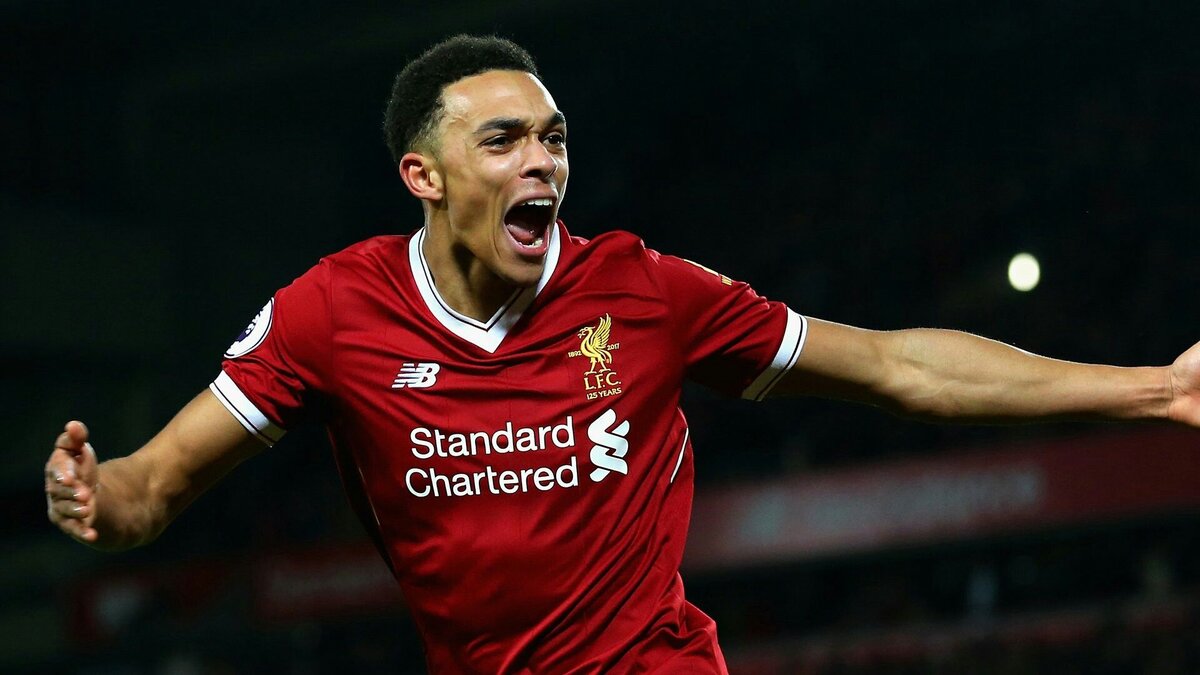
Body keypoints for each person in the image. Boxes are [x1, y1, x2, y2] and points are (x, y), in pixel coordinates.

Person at [44, 34, 1200, 674]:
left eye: (553, 139)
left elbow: (898, 367)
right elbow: (156, 486)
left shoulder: (643, 292)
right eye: (504, 141)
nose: (542, 163)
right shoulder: (332, 313)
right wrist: (103, 497)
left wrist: (1157, 389)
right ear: (424, 176)